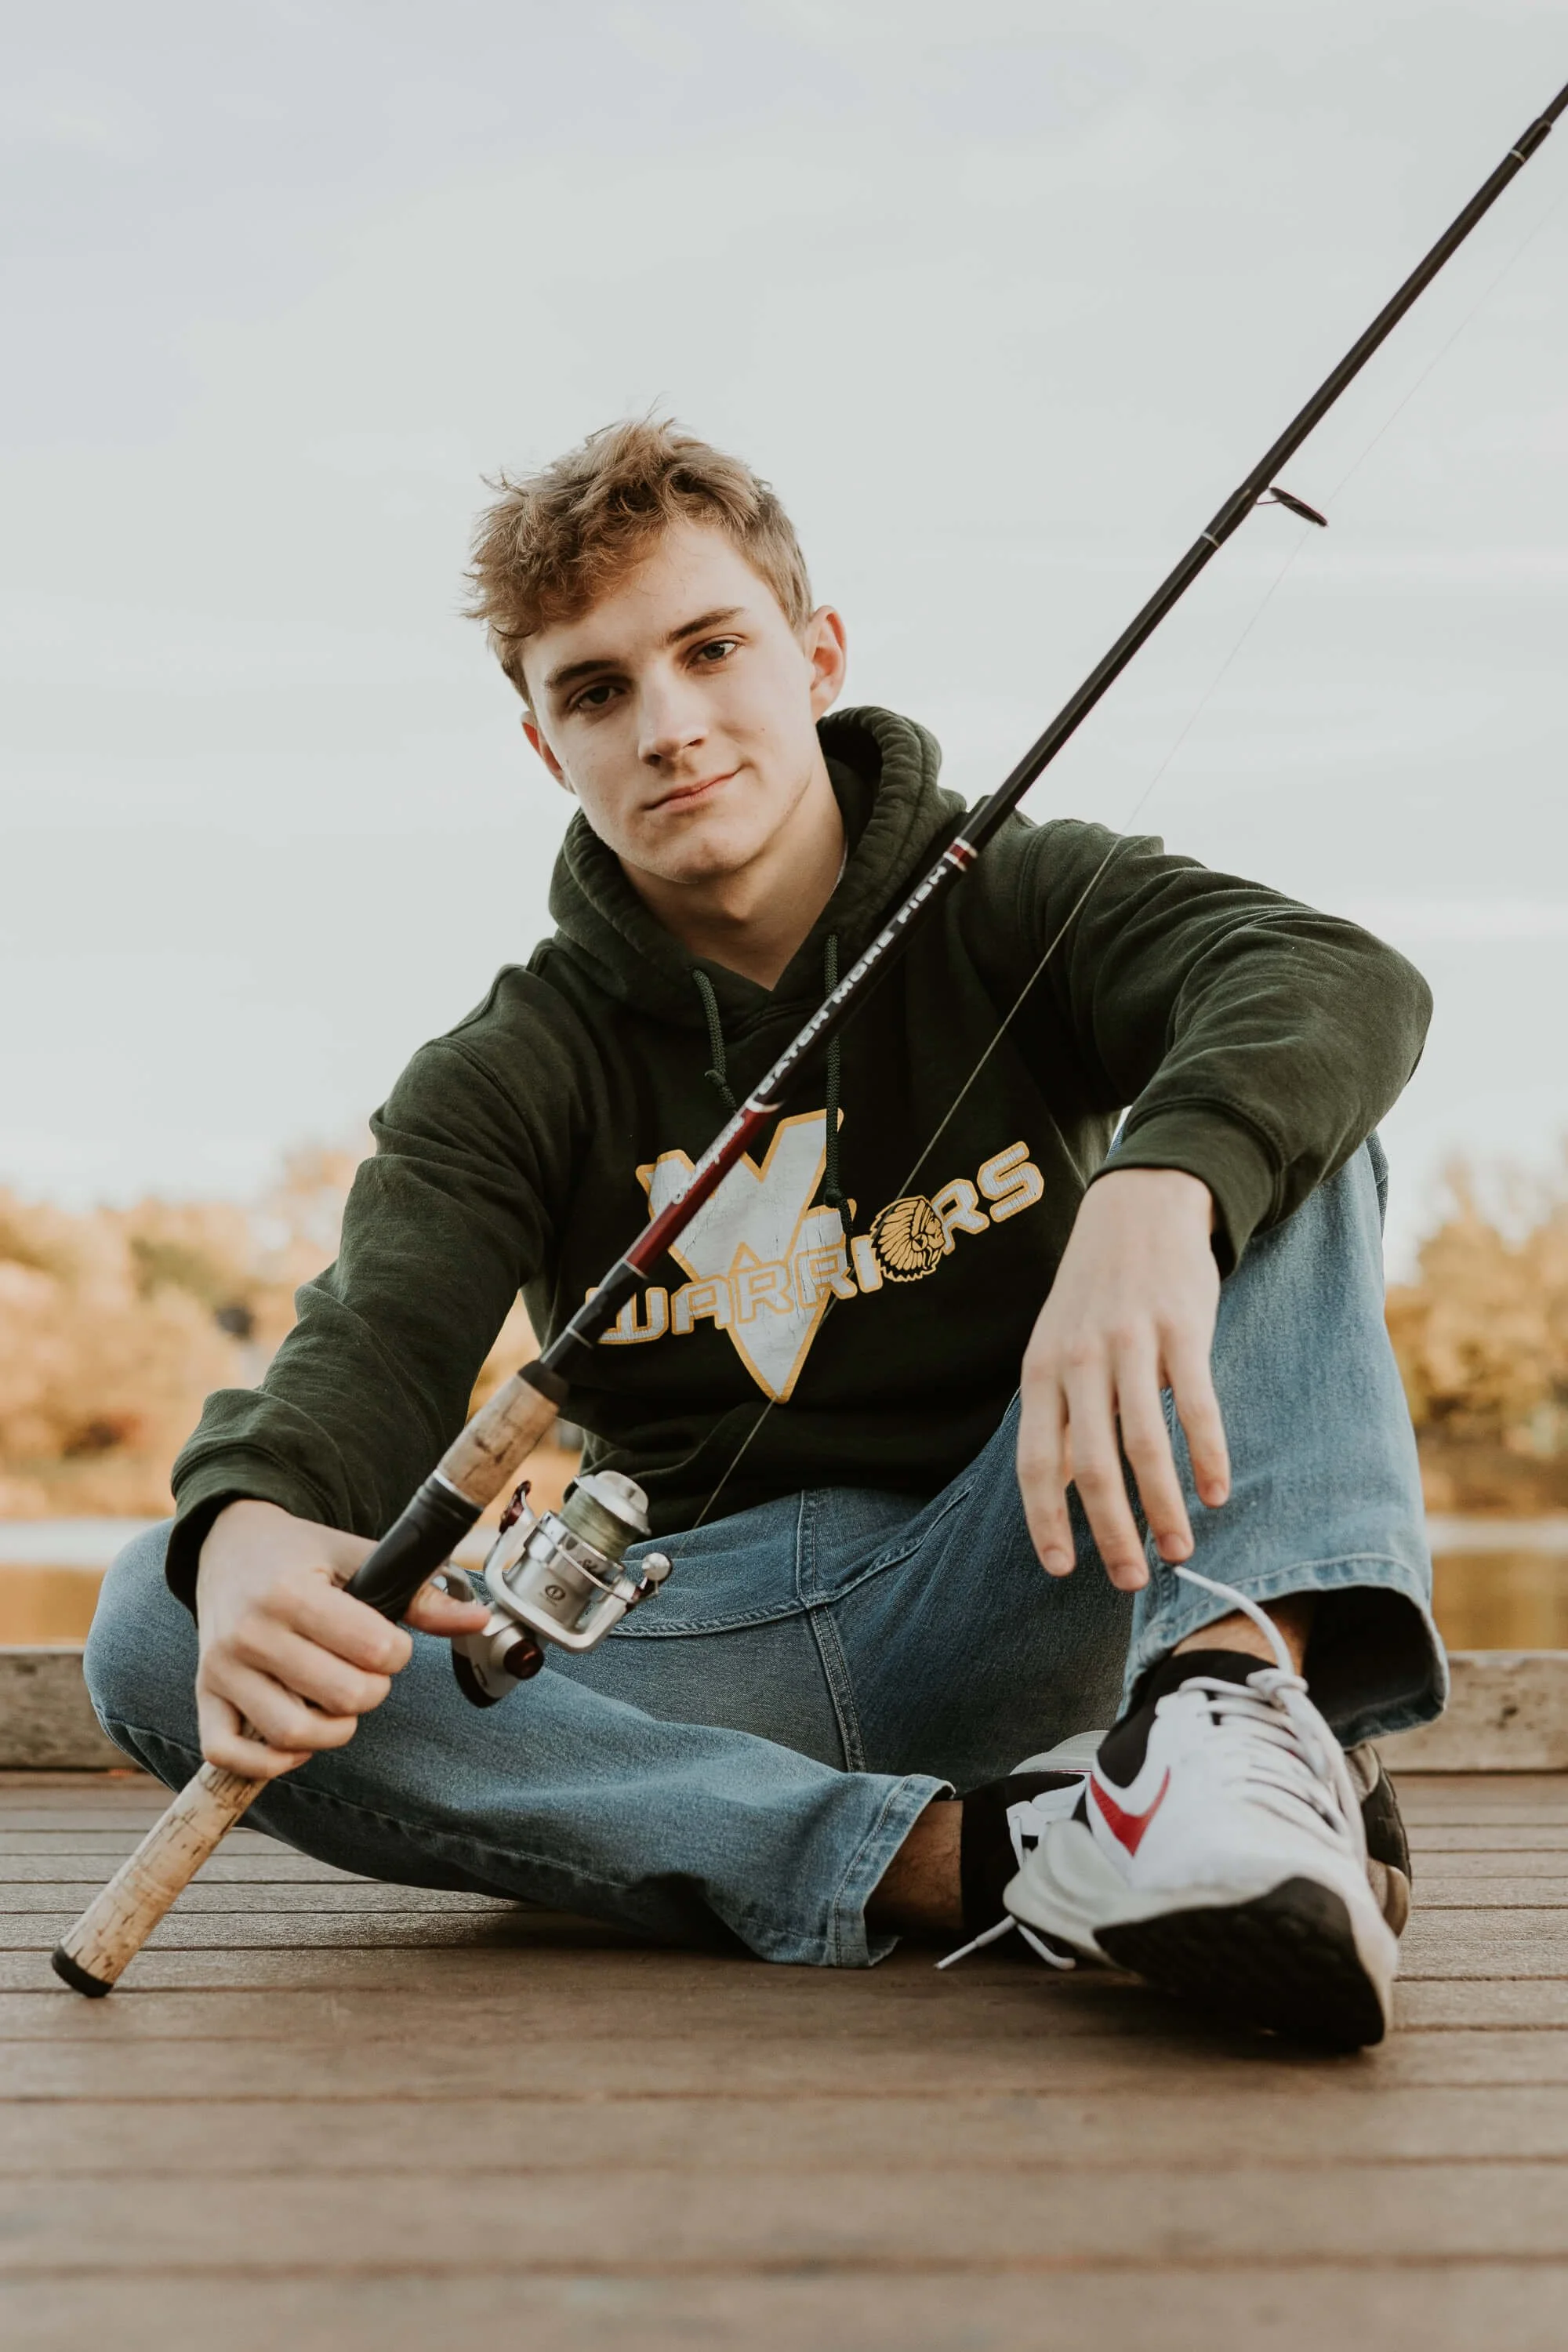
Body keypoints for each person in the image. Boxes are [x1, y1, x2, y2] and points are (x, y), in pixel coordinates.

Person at [87, 419, 1442, 2048]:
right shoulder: (503, 1069)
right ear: (544, 746)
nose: (667, 726)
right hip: (673, 1636)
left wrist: (1162, 1187)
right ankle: (1003, 1857)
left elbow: (1331, 978)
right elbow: (360, 1355)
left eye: (710, 649)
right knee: (159, 1625)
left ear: (815, 656)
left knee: (1288, 1125)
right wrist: (256, 1527)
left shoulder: (1021, 893)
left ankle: (1217, 1721)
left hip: (1039, 1560)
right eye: (595, 691)